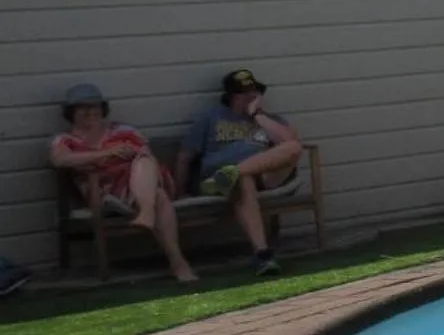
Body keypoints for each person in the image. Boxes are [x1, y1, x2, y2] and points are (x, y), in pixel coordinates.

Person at [50, 84, 197, 283]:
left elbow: (145, 152)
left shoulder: (123, 131)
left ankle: (146, 213)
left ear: (103, 109)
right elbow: (60, 160)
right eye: (82, 108)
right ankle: (178, 263)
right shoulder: (66, 140)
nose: (90, 112)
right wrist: (107, 153)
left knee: (144, 160)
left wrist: (128, 153)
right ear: (71, 113)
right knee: (159, 196)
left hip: (141, 182)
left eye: (94, 107)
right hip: (106, 195)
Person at [179, 69, 303, 277]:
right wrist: (180, 190)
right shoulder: (210, 118)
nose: (250, 97)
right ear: (231, 96)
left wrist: (257, 115)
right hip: (217, 178)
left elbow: (290, 141)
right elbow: (184, 156)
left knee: (293, 148)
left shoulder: (268, 119)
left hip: (262, 174)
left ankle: (233, 172)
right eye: (244, 93)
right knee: (243, 180)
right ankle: (263, 254)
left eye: (255, 92)